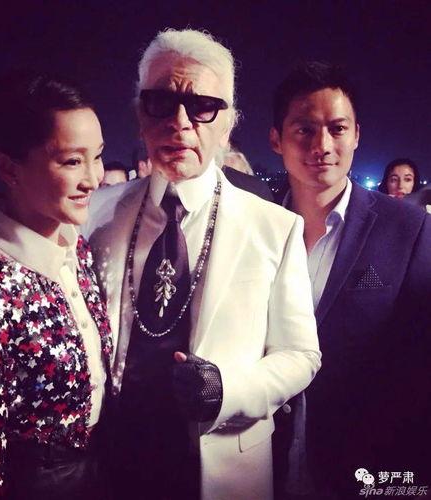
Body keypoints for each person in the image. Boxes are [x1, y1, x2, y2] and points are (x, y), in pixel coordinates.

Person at [82, 28, 320, 500]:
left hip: (222, 466)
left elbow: (301, 355)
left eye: (202, 107)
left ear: (227, 124)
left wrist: (228, 389)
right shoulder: (96, 214)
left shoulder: (274, 228)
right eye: (160, 102)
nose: (180, 123)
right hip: (112, 462)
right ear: (139, 114)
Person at [0, 72, 113, 499]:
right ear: (8, 168)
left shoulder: (77, 250)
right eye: (72, 161)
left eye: (98, 156)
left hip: (101, 472)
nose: (94, 178)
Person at [269, 61, 431, 498]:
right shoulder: (256, 228)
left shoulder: (408, 230)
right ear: (276, 139)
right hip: (263, 464)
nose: (322, 145)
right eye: (304, 129)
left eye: (337, 129)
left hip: (364, 465)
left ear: (356, 134)